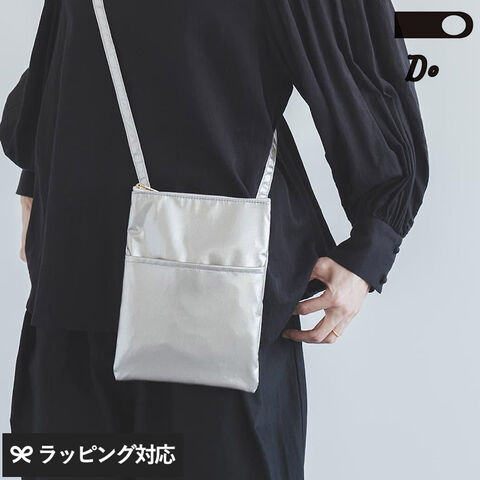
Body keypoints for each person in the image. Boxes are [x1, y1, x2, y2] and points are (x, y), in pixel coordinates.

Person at [0, 0, 428, 479]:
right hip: (75, 276)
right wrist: (35, 176)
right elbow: (66, 48)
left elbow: (361, 54)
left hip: (222, 297)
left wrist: (373, 244)